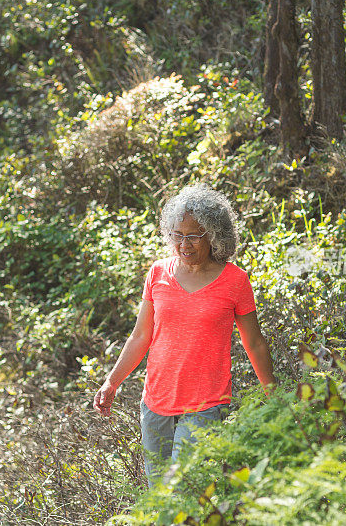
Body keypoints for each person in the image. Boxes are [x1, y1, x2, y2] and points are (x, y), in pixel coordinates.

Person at [92, 184, 275, 484]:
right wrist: (112, 382)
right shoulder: (158, 273)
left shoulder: (235, 281)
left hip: (207, 403)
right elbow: (140, 337)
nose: (183, 244)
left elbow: (253, 342)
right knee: (159, 497)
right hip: (156, 401)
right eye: (177, 235)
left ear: (214, 234)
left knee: (184, 491)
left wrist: (272, 391)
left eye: (193, 236)